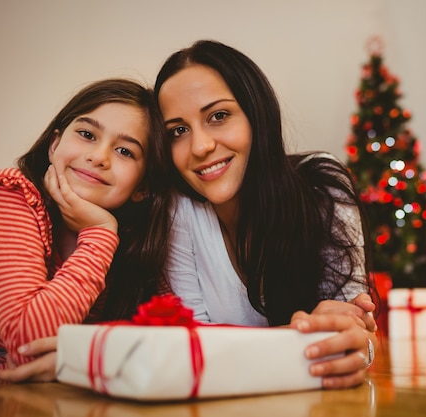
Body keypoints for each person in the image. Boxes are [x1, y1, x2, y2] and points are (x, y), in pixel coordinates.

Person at [154, 39, 379, 389]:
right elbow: (192, 348)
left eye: (219, 116)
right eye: (178, 131)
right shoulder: (179, 210)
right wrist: (296, 337)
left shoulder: (324, 190)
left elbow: (357, 333)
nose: (200, 147)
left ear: (257, 115)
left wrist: (357, 346)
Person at [0, 78, 173, 380]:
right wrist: (100, 231)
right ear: (54, 145)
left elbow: (175, 335)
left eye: (125, 152)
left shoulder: (135, 246)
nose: (99, 157)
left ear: (143, 187)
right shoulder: (11, 195)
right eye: (87, 134)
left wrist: (88, 356)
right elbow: (28, 344)